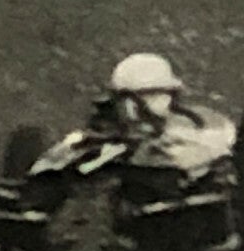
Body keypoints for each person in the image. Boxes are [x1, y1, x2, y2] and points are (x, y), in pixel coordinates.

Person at [91, 53, 235, 174]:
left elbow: (221, 138)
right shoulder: (99, 140)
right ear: (124, 100)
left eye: (166, 94)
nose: (161, 101)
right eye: (151, 95)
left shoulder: (190, 122)